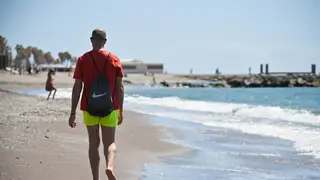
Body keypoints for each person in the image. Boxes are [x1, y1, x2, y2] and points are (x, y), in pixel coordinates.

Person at [69, 28, 124, 180]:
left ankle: (95, 178)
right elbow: (120, 87)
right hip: (110, 107)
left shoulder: (83, 59)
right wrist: (121, 110)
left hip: (89, 107)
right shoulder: (114, 59)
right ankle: (109, 167)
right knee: (110, 143)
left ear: (91, 40)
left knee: (94, 144)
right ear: (105, 41)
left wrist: (72, 113)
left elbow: (77, 87)